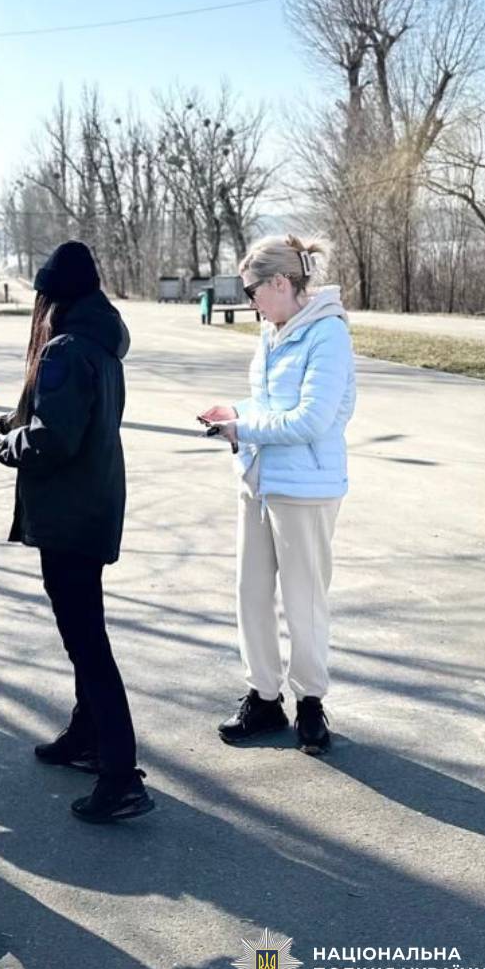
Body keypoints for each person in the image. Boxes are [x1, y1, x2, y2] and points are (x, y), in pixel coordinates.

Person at [0, 241, 154, 824]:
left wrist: (2, 442)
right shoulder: (102, 341)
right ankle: (87, 735)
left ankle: (120, 775)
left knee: (87, 642)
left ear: (49, 300)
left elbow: (51, 440)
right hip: (93, 505)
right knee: (83, 633)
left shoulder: (63, 349)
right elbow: (72, 423)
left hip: (69, 514)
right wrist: (17, 424)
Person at [199, 234, 356, 755]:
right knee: (251, 592)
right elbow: (269, 403)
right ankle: (264, 698)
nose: (251, 302)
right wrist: (234, 413)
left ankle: (310, 702)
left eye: (253, 291)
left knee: (304, 599)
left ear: (282, 283)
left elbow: (311, 419)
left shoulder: (327, 334)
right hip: (258, 481)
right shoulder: (271, 332)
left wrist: (245, 426)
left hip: (305, 489)